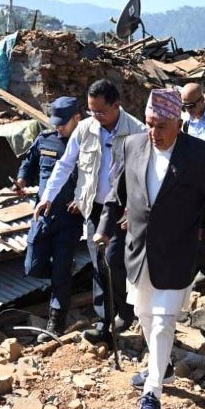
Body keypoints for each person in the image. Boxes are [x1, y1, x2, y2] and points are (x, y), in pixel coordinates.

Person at [95, 88, 205, 409]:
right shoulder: (132, 146)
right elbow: (116, 194)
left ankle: (152, 393)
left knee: (162, 322)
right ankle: (162, 367)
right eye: (149, 124)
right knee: (145, 316)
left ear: (179, 122)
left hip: (177, 255)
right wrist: (104, 228)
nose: (154, 132)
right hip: (139, 253)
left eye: (161, 126)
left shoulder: (199, 155)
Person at [35, 80, 146, 345]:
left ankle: (127, 310)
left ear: (116, 105)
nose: (95, 116)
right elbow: (65, 164)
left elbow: (146, 174)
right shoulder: (85, 129)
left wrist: (136, 207)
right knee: (99, 264)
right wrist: (48, 196)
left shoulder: (137, 131)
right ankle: (104, 322)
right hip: (94, 208)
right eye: (91, 110)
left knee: (115, 260)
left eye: (100, 111)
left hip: (123, 209)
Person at [16, 97, 85, 343]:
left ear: (77, 118)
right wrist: (22, 179)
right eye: (56, 122)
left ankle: (56, 322)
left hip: (69, 218)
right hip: (43, 215)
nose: (58, 127)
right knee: (32, 265)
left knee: (60, 272)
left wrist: (83, 199)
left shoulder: (87, 144)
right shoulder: (45, 139)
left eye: (63, 123)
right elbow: (29, 162)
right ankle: (63, 272)